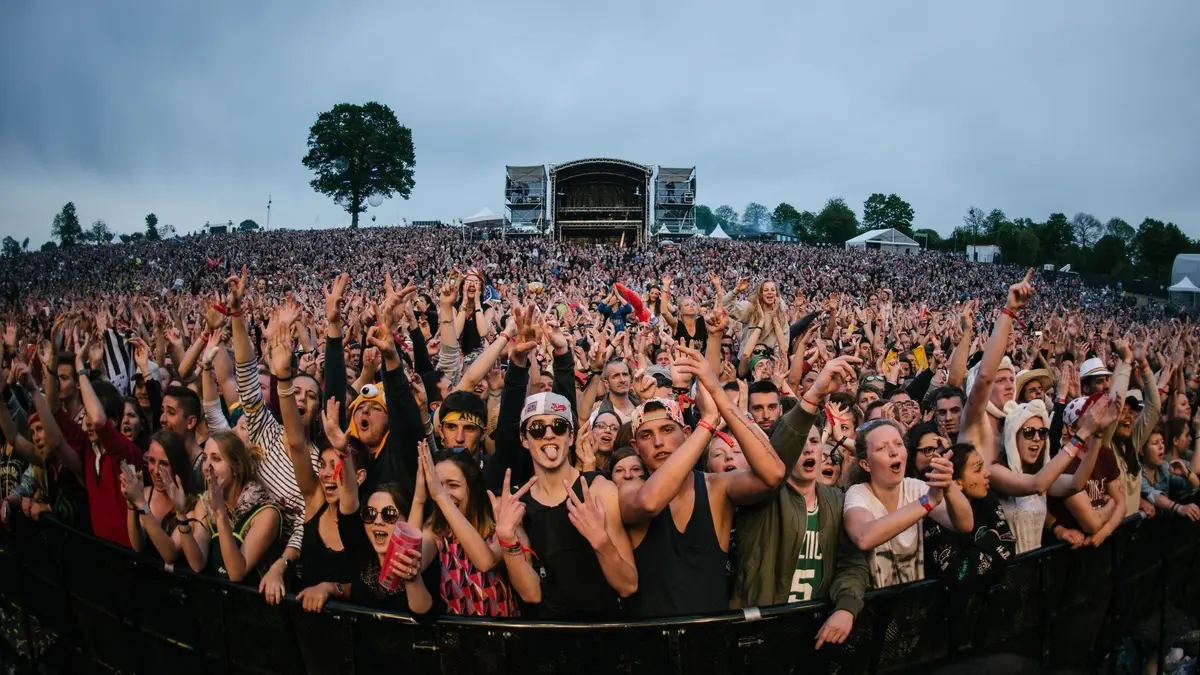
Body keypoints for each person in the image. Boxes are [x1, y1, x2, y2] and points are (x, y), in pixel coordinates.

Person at [729, 356, 868, 652]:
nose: (808, 450)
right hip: (760, 636)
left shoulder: (838, 499)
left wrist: (846, 606)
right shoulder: (763, 494)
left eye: (815, 442)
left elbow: (852, 562)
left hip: (816, 634)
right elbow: (778, 454)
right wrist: (814, 394)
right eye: (801, 443)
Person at [843, 419, 974, 588]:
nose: (893, 452)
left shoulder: (915, 488)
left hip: (914, 605)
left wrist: (947, 483)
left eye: (898, 444)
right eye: (882, 448)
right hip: (874, 607)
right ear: (866, 464)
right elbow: (864, 537)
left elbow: (965, 524)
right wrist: (928, 501)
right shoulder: (858, 494)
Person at [410, 441, 518, 617]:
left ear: (472, 488)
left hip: (499, 637)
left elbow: (485, 562)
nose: (444, 493)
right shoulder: (437, 528)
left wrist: (439, 495)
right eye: (438, 484)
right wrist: (419, 499)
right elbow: (412, 563)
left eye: (453, 485)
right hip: (456, 637)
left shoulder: (498, 521)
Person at [177, 432, 282, 583]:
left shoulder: (265, 512)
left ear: (236, 468)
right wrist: (181, 515)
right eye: (205, 458)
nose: (207, 467)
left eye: (216, 459)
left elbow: (236, 573)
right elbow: (197, 564)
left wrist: (220, 514)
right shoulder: (205, 503)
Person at [921, 442, 1016, 582]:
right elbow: (958, 574)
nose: (987, 473)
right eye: (978, 470)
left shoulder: (988, 498)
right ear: (957, 483)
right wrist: (991, 539)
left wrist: (972, 555)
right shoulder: (937, 516)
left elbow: (1009, 549)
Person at [120, 429, 192, 562]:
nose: (156, 470)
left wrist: (141, 504)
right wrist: (131, 503)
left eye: (164, 464)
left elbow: (170, 555)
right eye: (152, 461)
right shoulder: (146, 494)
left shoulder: (190, 504)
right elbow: (138, 546)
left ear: (177, 465)